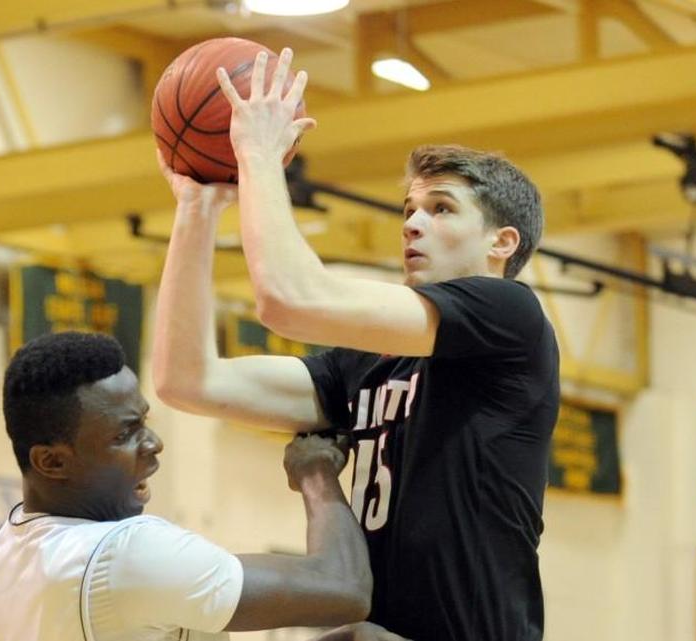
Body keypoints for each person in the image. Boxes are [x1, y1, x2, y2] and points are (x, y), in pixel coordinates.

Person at [152, 47, 559, 641]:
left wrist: (261, 156)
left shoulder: (510, 318)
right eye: (410, 209)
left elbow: (289, 298)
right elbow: (188, 380)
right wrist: (196, 210)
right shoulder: (363, 364)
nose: (413, 223)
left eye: (441, 208)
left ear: (502, 242)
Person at [0, 331, 378, 641]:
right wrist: (316, 474)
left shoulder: (11, 544)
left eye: (144, 422)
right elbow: (344, 588)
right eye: (126, 434)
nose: (154, 444)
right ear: (51, 461)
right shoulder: (126, 554)